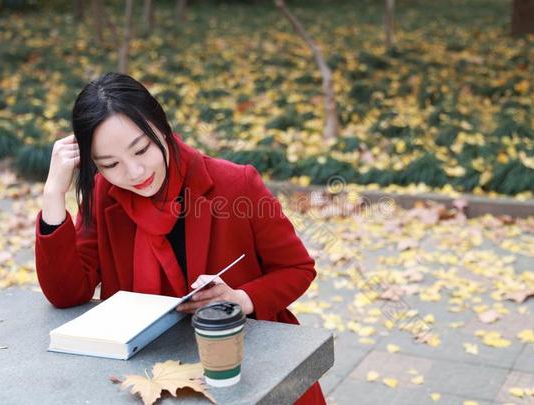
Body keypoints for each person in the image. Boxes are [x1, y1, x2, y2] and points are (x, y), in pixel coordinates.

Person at [35, 72, 326, 405]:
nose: (135, 173)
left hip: (239, 363)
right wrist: (54, 192)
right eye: (110, 163)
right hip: (148, 373)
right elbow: (67, 293)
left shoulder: (235, 184)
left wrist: (241, 299)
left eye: (142, 149)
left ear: (163, 127)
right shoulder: (105, 193)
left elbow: (297, 268)